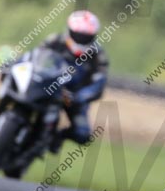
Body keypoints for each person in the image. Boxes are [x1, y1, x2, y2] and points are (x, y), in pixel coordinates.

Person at [7, 10, 109, 168]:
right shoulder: (55, 41)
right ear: (70, 30)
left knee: (83, 134)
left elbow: (99, 82)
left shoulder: (98, 54)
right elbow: (34, 57)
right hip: (46, 85)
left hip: (73, 96)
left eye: (86, 36)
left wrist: (80, 97)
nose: (81, 39)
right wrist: (17, 66)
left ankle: (56, 137)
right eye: (78, 34)